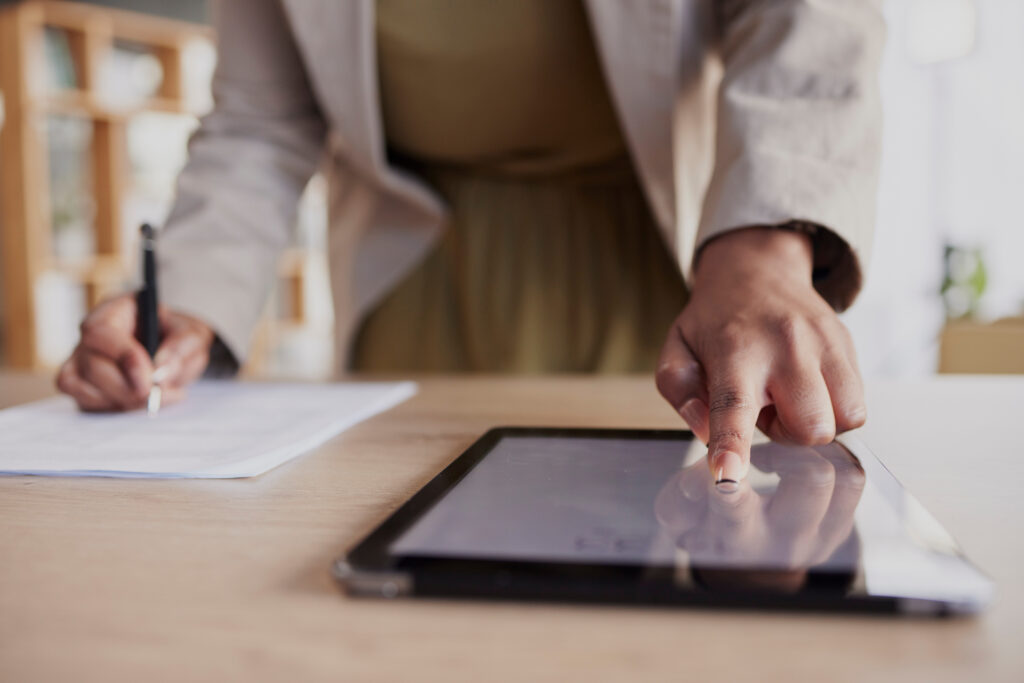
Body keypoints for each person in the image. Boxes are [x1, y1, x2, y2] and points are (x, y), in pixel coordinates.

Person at [56, 0, 885, 486]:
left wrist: (764, 246)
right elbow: (261, 119)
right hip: (418, 282)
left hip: (666, 283)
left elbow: (805, 23)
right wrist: (190, 299)